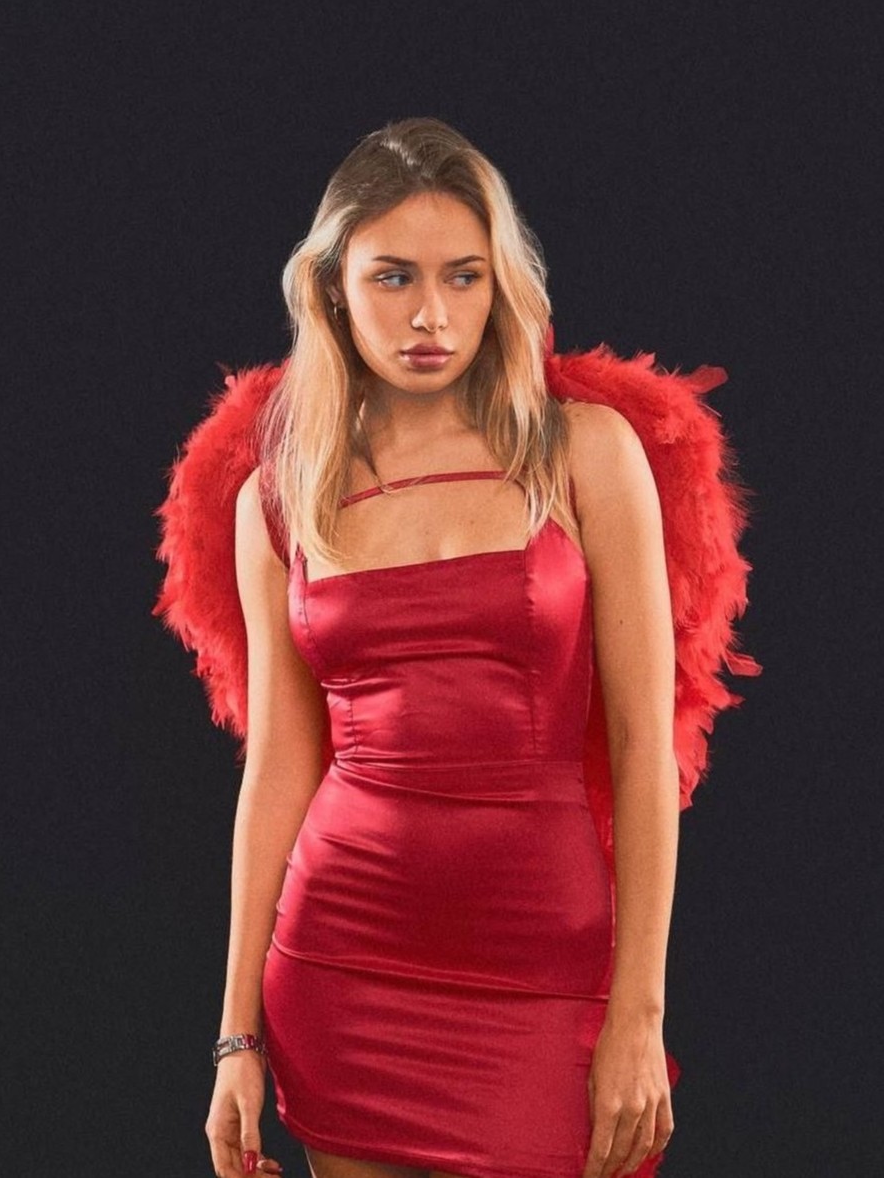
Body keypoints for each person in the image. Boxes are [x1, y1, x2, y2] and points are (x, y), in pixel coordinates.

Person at [173, 117, 757, 1178]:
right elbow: (278, 769)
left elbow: (644, 746)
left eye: (463, 276)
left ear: (501, 286)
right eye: (392, 276)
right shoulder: (278, 496)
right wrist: (235, 1036)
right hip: (342, 962)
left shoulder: (586, 452)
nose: (430, 315)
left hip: (546, 963)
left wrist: (639, 1012)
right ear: (333, 287)